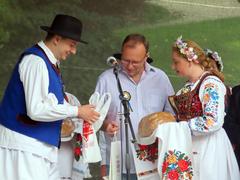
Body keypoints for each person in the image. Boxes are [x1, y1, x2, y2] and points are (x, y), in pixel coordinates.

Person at [0, 14, 100, 180]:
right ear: (57, 39)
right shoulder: (36, 62)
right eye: (72, 44)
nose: (74, 51)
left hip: (38, 146)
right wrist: (77, 111)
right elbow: (36, 109)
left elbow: (48, 103)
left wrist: (77, 112)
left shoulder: (49, 63)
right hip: (23, 145)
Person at [95, 33, 175, 179]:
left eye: (136, 62)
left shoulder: (161, 78)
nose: (130, 66)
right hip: (117, 162)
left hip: (154, 162)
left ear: (146, 57)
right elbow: (94, 118)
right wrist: (105, 125)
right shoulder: (106, 79)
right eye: (125, 60)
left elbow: (172, 117)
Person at [169, 36, 239, 180]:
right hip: (191, 146)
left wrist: (179, 126)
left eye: (176, 62)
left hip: (209, 148)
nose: (173, 67)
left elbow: (212, 121)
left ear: (190, 60)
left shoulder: (210, 84)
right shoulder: (189, 86)